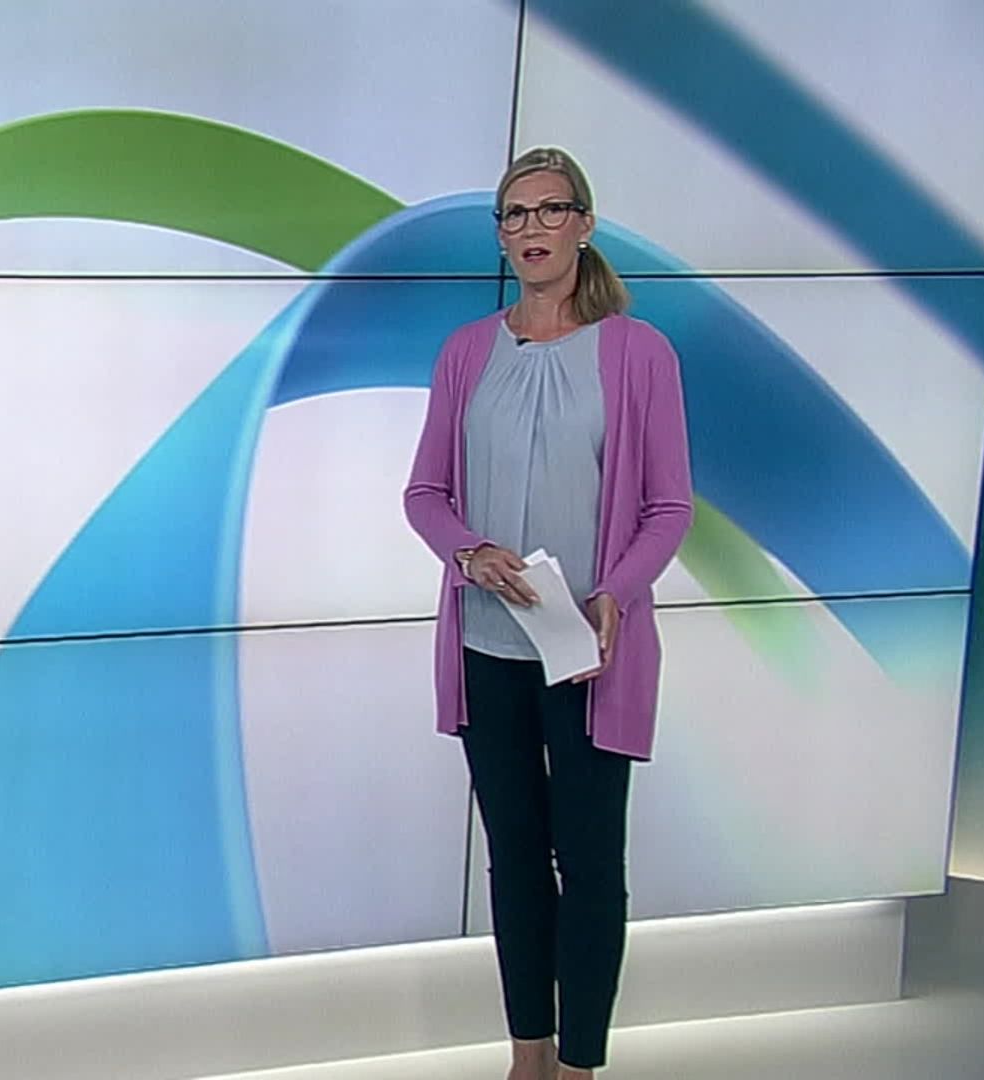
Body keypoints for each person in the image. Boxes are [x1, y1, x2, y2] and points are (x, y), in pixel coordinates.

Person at [403, 147, 694, 1080]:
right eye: (515, 214)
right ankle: (527, 1058)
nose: (532, 228)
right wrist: (468, 552)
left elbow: (668, 507)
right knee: (517, 860)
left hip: (588, 654)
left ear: (584, 225)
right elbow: (425, 493)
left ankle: (579, 1065)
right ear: (501, 235)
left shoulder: (639, 353)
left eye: (550, 210)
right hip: (489, 647)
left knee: (591, 864)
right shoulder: (465, 352)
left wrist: (616, 594)